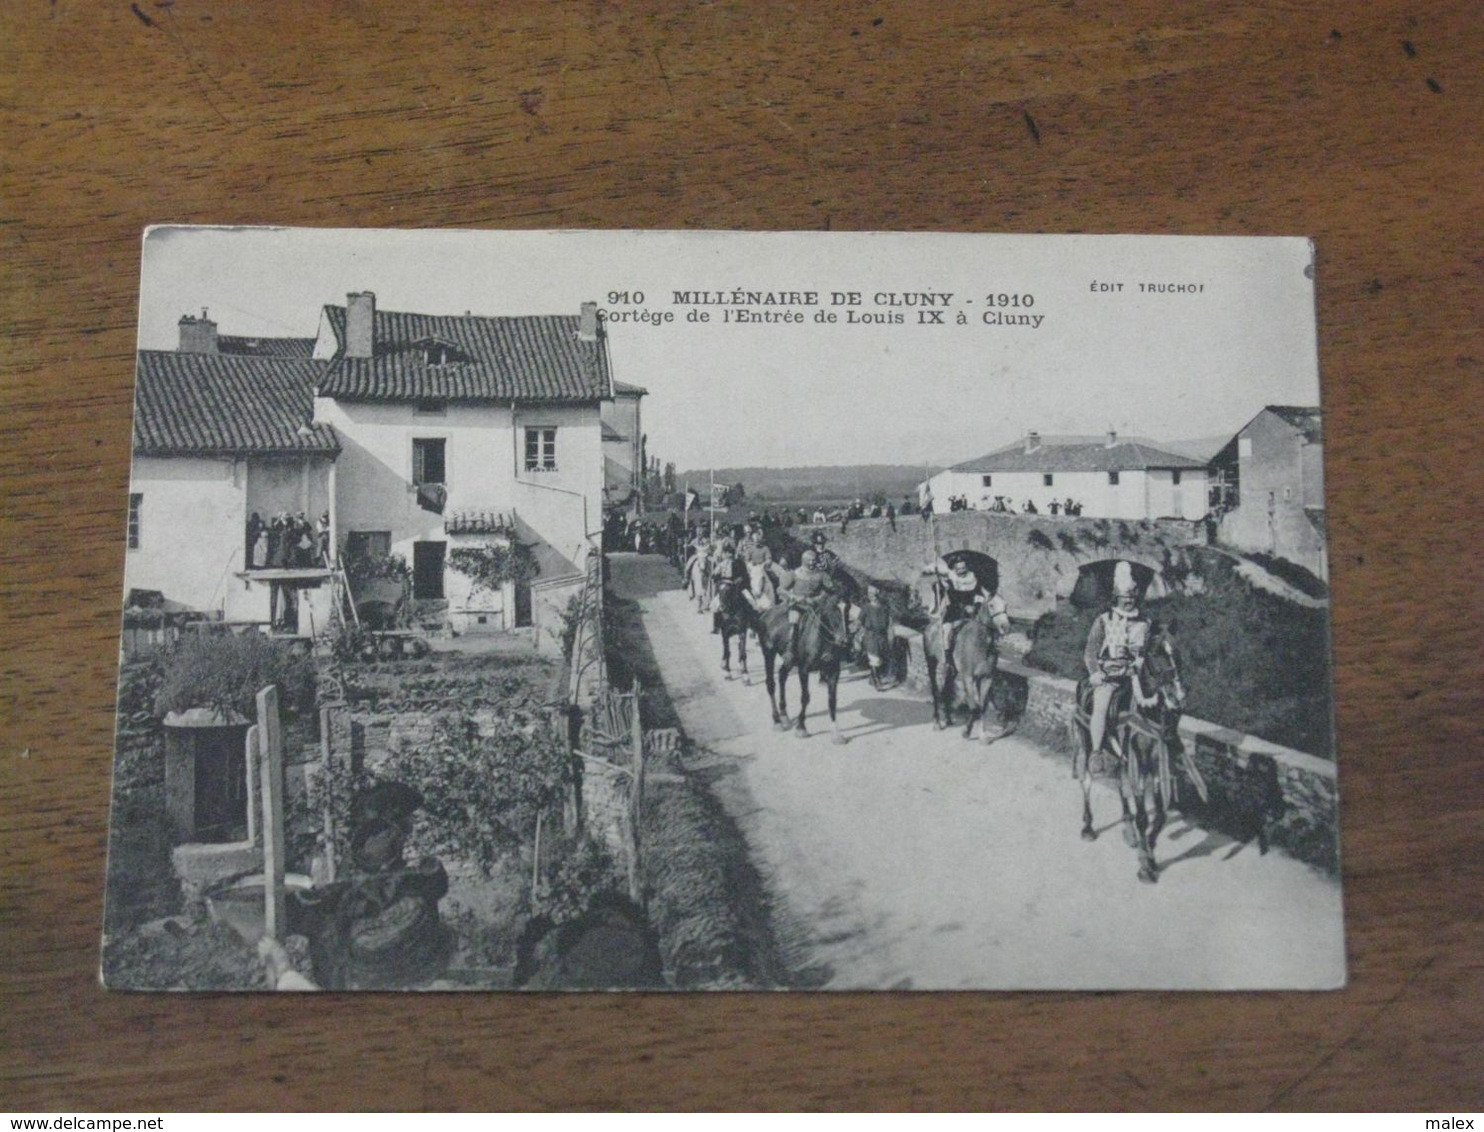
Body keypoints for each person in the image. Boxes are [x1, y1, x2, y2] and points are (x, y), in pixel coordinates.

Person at [1083, 561, 1152, 760]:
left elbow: (1146, 652)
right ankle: (1096, 752)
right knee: (1101, 708)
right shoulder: (1104, 620)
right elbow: (1090, 652)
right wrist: (1095, 673)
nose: (1128, 601)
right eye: (1124, 597)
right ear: (1116, 597)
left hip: (1136, 677)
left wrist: (1140, 665)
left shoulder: (1145, 623)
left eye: (1132, 597)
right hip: (1109, 676)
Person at [928, 557, 1008, 682]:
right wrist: (938, 584)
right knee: (946, 632)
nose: (961, 570)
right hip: (953, 614)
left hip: (971, 615)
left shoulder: (974, 580)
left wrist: (975, 606)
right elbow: (939, 591)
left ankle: (990, 656)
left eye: (963, 567)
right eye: (958, 568)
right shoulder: (949, 581)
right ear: (954, 569)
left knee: (987, 630)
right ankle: (948, 661)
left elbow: (981, 595)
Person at [858, 584, 893, 690]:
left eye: (874, 594)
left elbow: (888, 622)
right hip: (871, 636)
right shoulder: (866, 608)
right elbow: (860, 621)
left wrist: (890, 634)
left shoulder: (884, 607)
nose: (872, 596)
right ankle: (877, 682)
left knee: (881, 659)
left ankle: (872, 678)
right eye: (870, 594)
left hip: (882, 636)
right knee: (875, 659)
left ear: (878, 594)